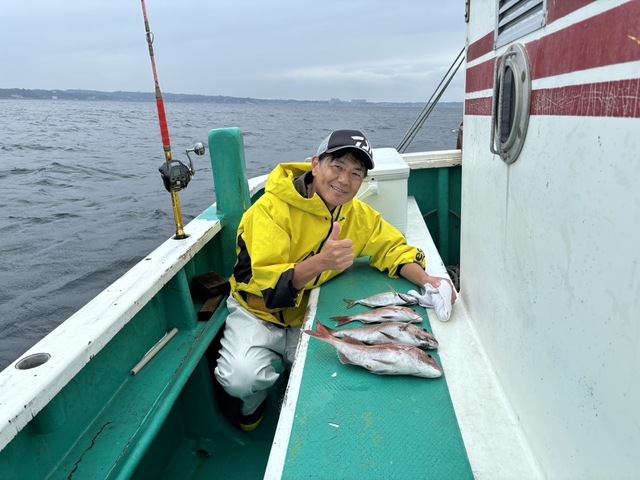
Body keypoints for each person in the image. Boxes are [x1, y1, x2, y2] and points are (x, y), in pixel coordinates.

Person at [214, 129, 456, 431]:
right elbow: (270, 285)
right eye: (337, 166)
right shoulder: (269, 211)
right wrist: (321, 263)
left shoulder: (356, 215)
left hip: (307, 312)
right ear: (316, 165)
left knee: (327, 378)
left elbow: (392, 248)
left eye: (356, 172)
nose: (345, 180)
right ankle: (255, 402)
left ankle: (288, 370)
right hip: (258, 311)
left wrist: (427, 280)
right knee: (241, 378)